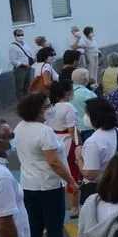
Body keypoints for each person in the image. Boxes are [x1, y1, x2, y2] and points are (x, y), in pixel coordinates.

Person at [14, 92, 78, 237]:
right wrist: (72, 182)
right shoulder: (44, 132)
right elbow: (54, 162)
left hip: (29, 184)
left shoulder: (20, 127)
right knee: (54, 226)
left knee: (34, 224)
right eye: (47, 106)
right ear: (37, 110)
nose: (51, 109)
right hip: (49, 185)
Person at [75, 98, 118, 202]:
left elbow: (90, 175)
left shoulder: (93, 141)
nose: (85, 117)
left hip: (97, 191)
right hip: (117, 185)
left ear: (95, 116)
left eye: (87, 114)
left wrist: (79, 158)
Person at [45, 81, 80, 214]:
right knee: (73, 173)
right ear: (67, 93)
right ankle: (74, 207)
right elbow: (72, 130)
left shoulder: (50, 107)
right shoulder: (68, 107)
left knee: (56, 173)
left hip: (53, 141)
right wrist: (79, 145)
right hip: (68, 142)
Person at [8, 28, 34, 100]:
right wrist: (23, 64)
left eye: (22, 35)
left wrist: (31, 61)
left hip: (28, 67)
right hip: (20, 69)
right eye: (18, 35)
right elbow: (13, 60)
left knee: (27, 86)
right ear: (15, 36)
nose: (20, 36)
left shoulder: (25, 44)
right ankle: (21, 102)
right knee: (20, 88)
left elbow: (30, 54)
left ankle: (27, 101)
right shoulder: (13, 47)